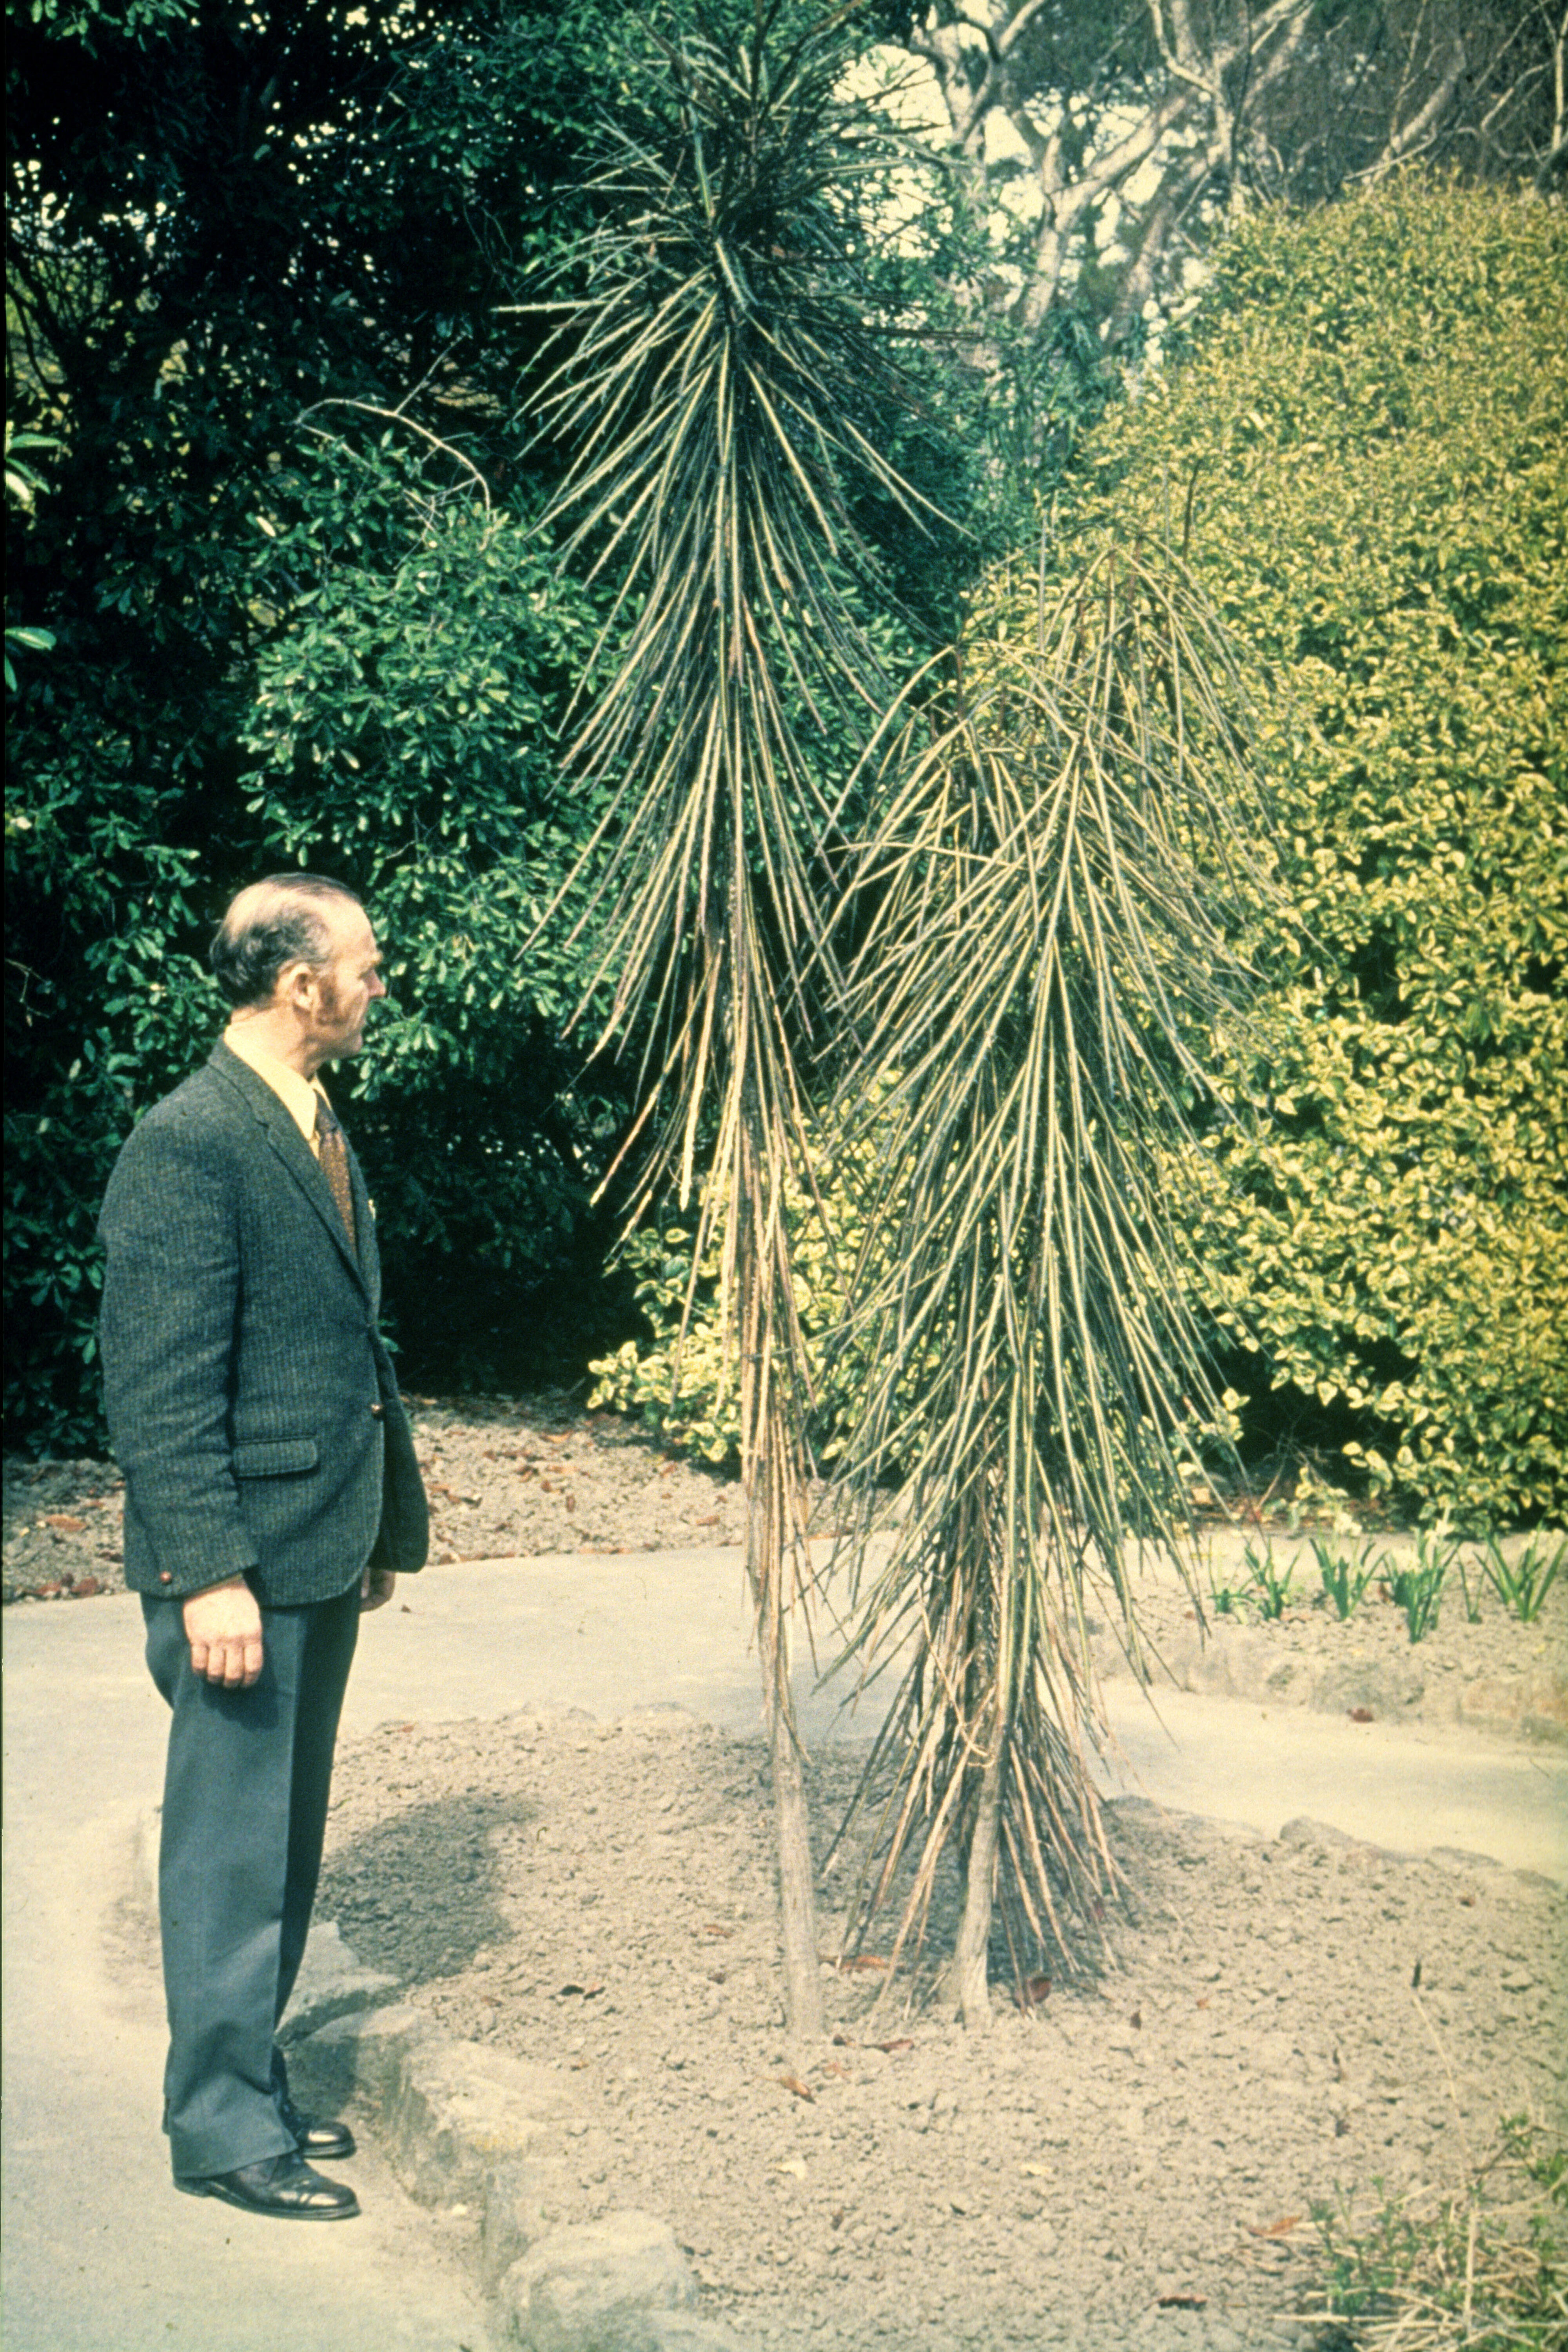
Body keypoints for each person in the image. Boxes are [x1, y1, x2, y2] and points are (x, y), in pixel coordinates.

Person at [98, 873, 428, 2221]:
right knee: (228, 1853)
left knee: (282, 1844)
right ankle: (221, 2131)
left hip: (315, 1539)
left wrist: (375, 1521)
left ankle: (251, 2081)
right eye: (363, 964)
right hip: (239, 1566)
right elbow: (159, 1387)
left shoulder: (307, 1117)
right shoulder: (190, 1141)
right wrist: (209, 1573)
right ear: (300, 984)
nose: (378, 982)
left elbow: (334, 1342)